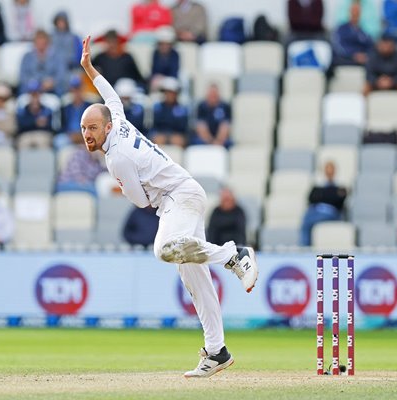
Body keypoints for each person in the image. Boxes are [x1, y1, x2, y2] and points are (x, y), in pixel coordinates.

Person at [79, 35, 258, 378]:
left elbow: (140, 200)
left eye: (93, 128)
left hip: (179, 197)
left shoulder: (116, 158)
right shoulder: (118, 117)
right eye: (85, 128)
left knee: (164, 249)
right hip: (184, 193)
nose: (88, 134)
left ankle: (234, 255)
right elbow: (111, 96)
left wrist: (122, 189)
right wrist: (89, 68)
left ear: (107, 127)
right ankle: (217, 351)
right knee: (194, 278)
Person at [300, 161, 347, 246]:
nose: (329, 172)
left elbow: (338, 201)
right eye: (327, 170)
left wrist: (323, 196)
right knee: (306, 218)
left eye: (331, 170)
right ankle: (304, 247)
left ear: (334, 171)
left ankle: (305, 247)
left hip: (330, 213)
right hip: (315, 210)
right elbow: (311, 198)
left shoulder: (340, 187)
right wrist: (330, 195)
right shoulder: (318, 186)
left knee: (309, 220)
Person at [19, 29, 68, 96]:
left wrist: (52, 82)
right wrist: (34, 84)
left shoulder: (57, 57)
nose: (41, 45)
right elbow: (23, 76)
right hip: (31, 92)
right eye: (38, 42)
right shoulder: (27, 57)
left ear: (48, 43)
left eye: (43, 43)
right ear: (34, 43)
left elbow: (61, 74)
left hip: (52, 92)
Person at [55, 75, 92, 149]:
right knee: (59, 141)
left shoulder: (89, 107)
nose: (76, 92)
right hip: (69, 136)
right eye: (74, 89)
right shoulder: (65, 107)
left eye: (78, 89)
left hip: (86, 135)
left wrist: (82, 135)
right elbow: (61, 127)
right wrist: (70, 134)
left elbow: (93, 125)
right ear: (71, 90)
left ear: (82, 89)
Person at [332, 1, 373, 66]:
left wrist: (364, 55)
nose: (355, 14)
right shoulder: (341, 29)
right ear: (349, 12)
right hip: (346, 60)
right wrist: (354, 55)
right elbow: (338, 47)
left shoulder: (363, 32)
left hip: (362, 62)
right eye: (353, 11)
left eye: (357, 12)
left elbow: (371, 47)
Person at [150, 77, 188, 147]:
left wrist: (174, 136)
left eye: (172, 93)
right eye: (167, 92)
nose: (169, 95)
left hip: (176, 135)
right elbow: (154, 125)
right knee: (158, 139)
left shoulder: (182, 109)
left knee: (178, 140)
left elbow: (183, 128)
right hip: (160, 134)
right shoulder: (157, 107)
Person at [15, 80, 54, 149]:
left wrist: (29, 122)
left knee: (43, 142)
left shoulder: (47, 110)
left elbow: (49, 127)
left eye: (37, 94)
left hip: (42, 134)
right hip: (26, 135)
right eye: (32, 94)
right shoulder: (23, 110)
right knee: (24, 142)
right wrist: (35, 122)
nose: (35, 98)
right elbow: (21, 126)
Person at [150, 26, 180, 91]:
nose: (164, 47)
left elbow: (174, 73)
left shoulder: (175, 54)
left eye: (167, 44)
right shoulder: (156, 53)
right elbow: (154, 71)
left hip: (170, 82)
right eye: (162, 44)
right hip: (157, 83)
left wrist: (162, 79)